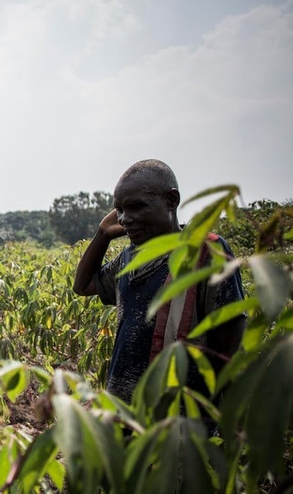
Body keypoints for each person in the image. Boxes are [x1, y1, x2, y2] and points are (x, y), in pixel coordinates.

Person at [72, 159, 246, 405]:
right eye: (120, 210)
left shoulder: (205, 252)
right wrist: (103, 233)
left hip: (177, 413)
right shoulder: (129, 258)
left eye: (136, 207)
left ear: (171, 201)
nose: (125, 219)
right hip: (124, 410)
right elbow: (82, 286)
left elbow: (228, 343)